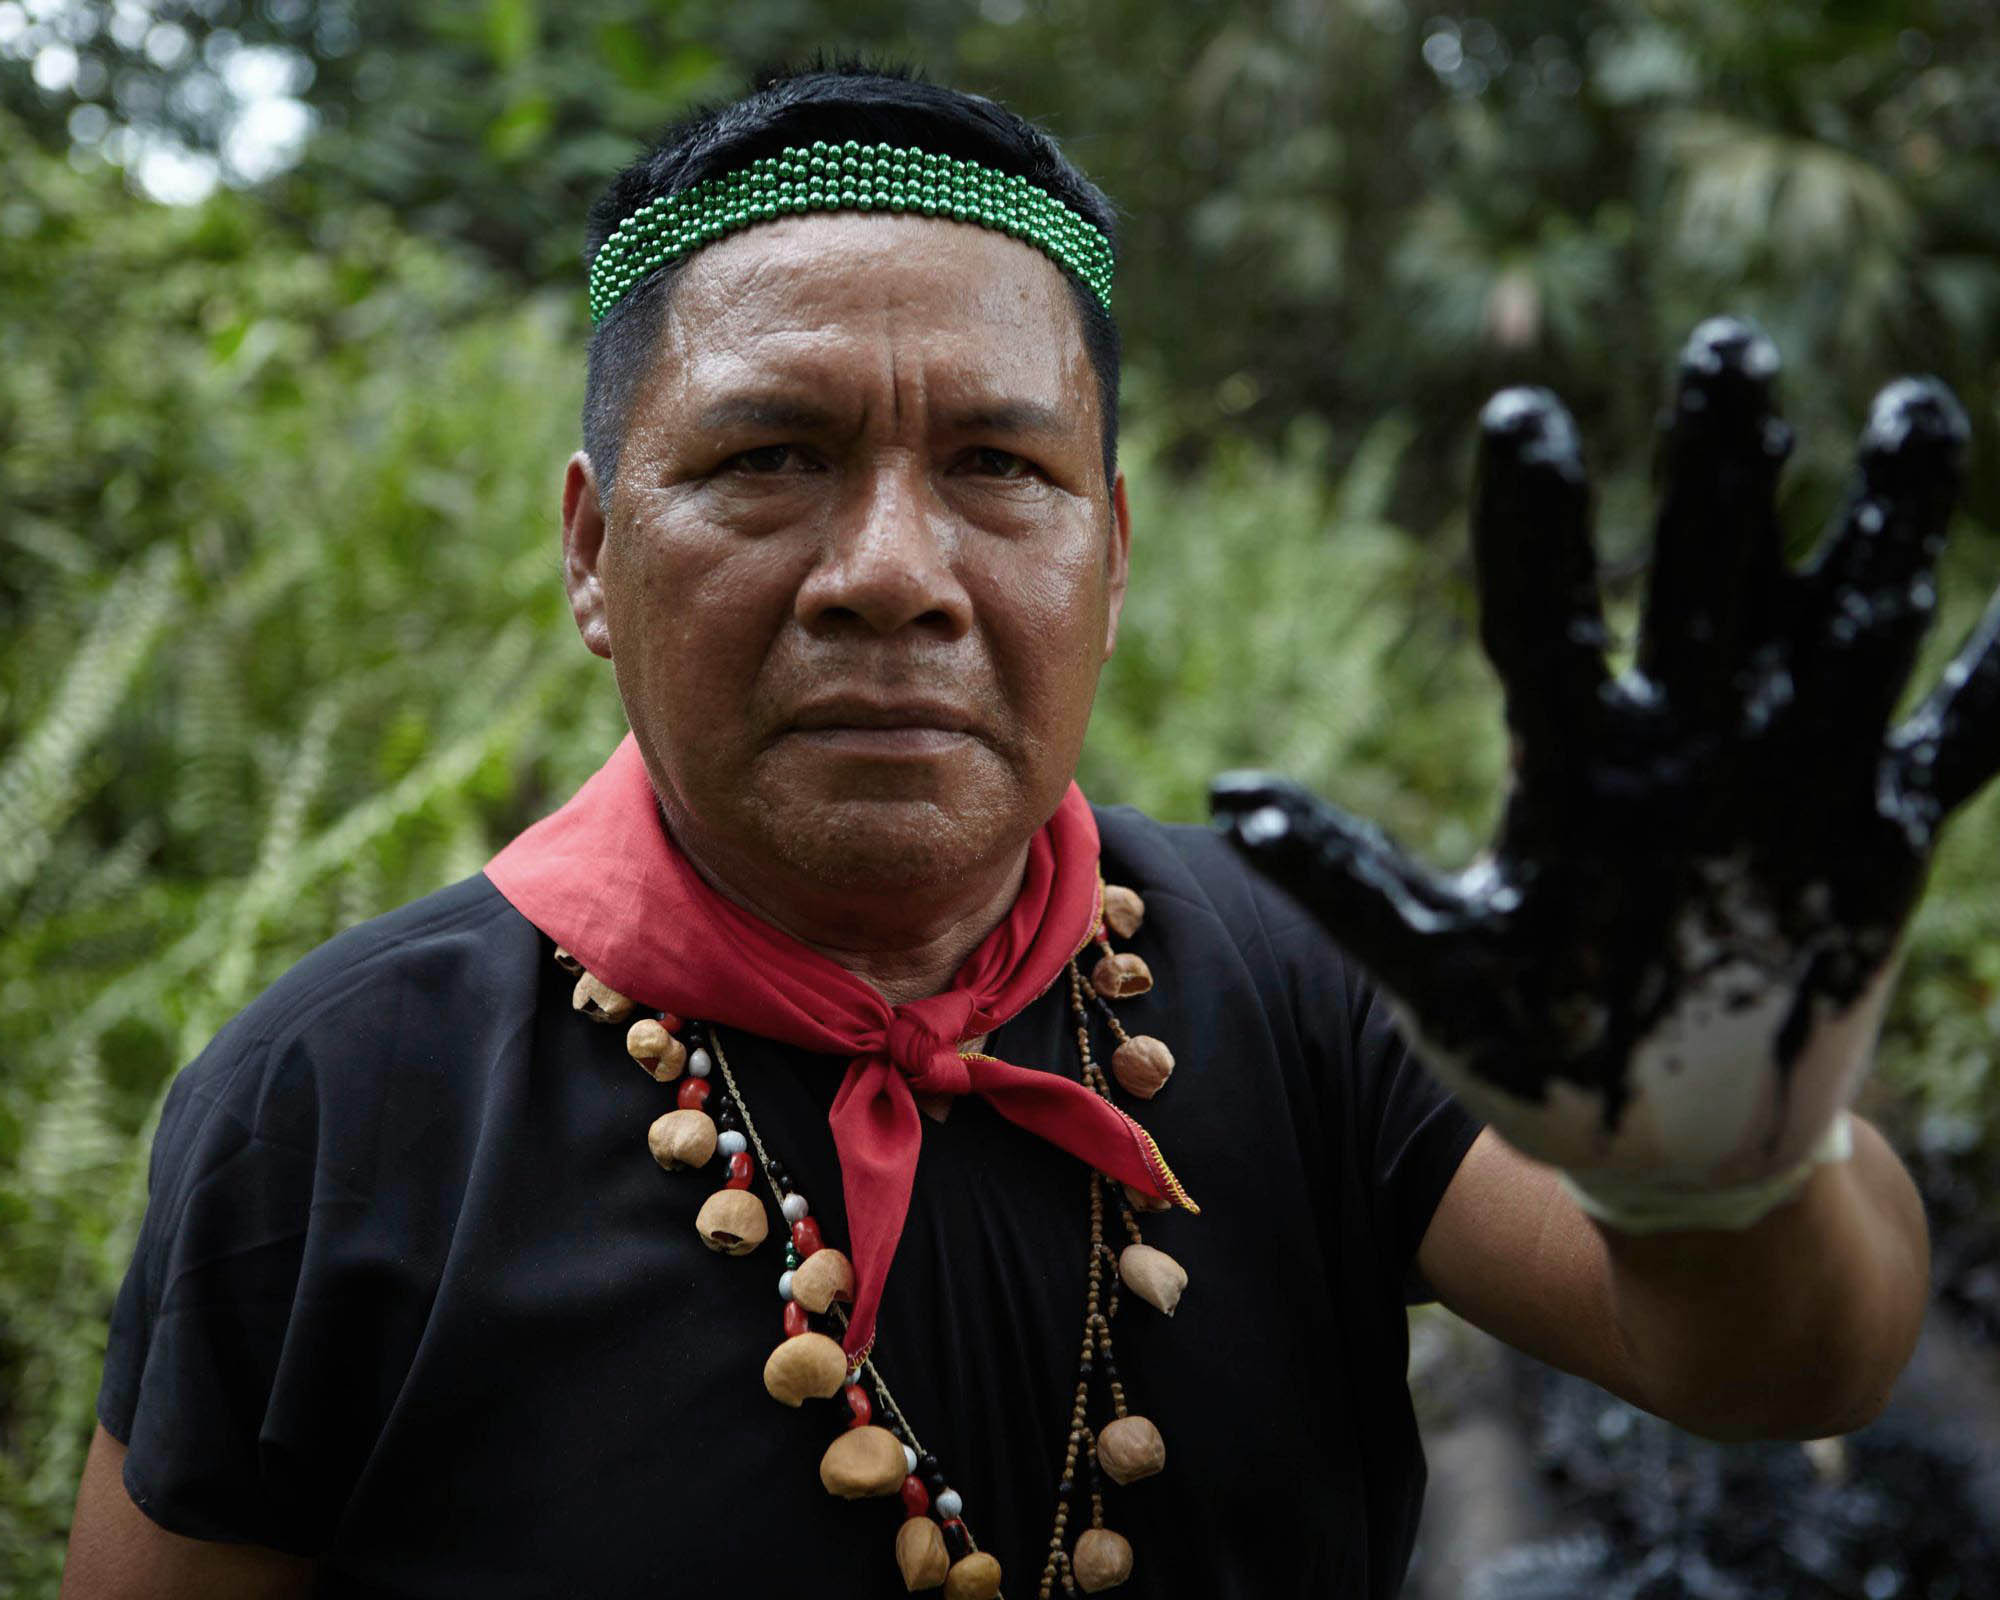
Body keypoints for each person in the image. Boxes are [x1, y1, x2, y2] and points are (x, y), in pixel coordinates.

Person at [61, 65, 1941, 1600]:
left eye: (999, 469)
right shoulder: (332, 1104)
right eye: (767, 457)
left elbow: (1786, 1366)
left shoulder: (1309, 982)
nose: (891, 576)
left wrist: (1724, 1173)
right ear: (590, 548)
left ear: (1108, 556)